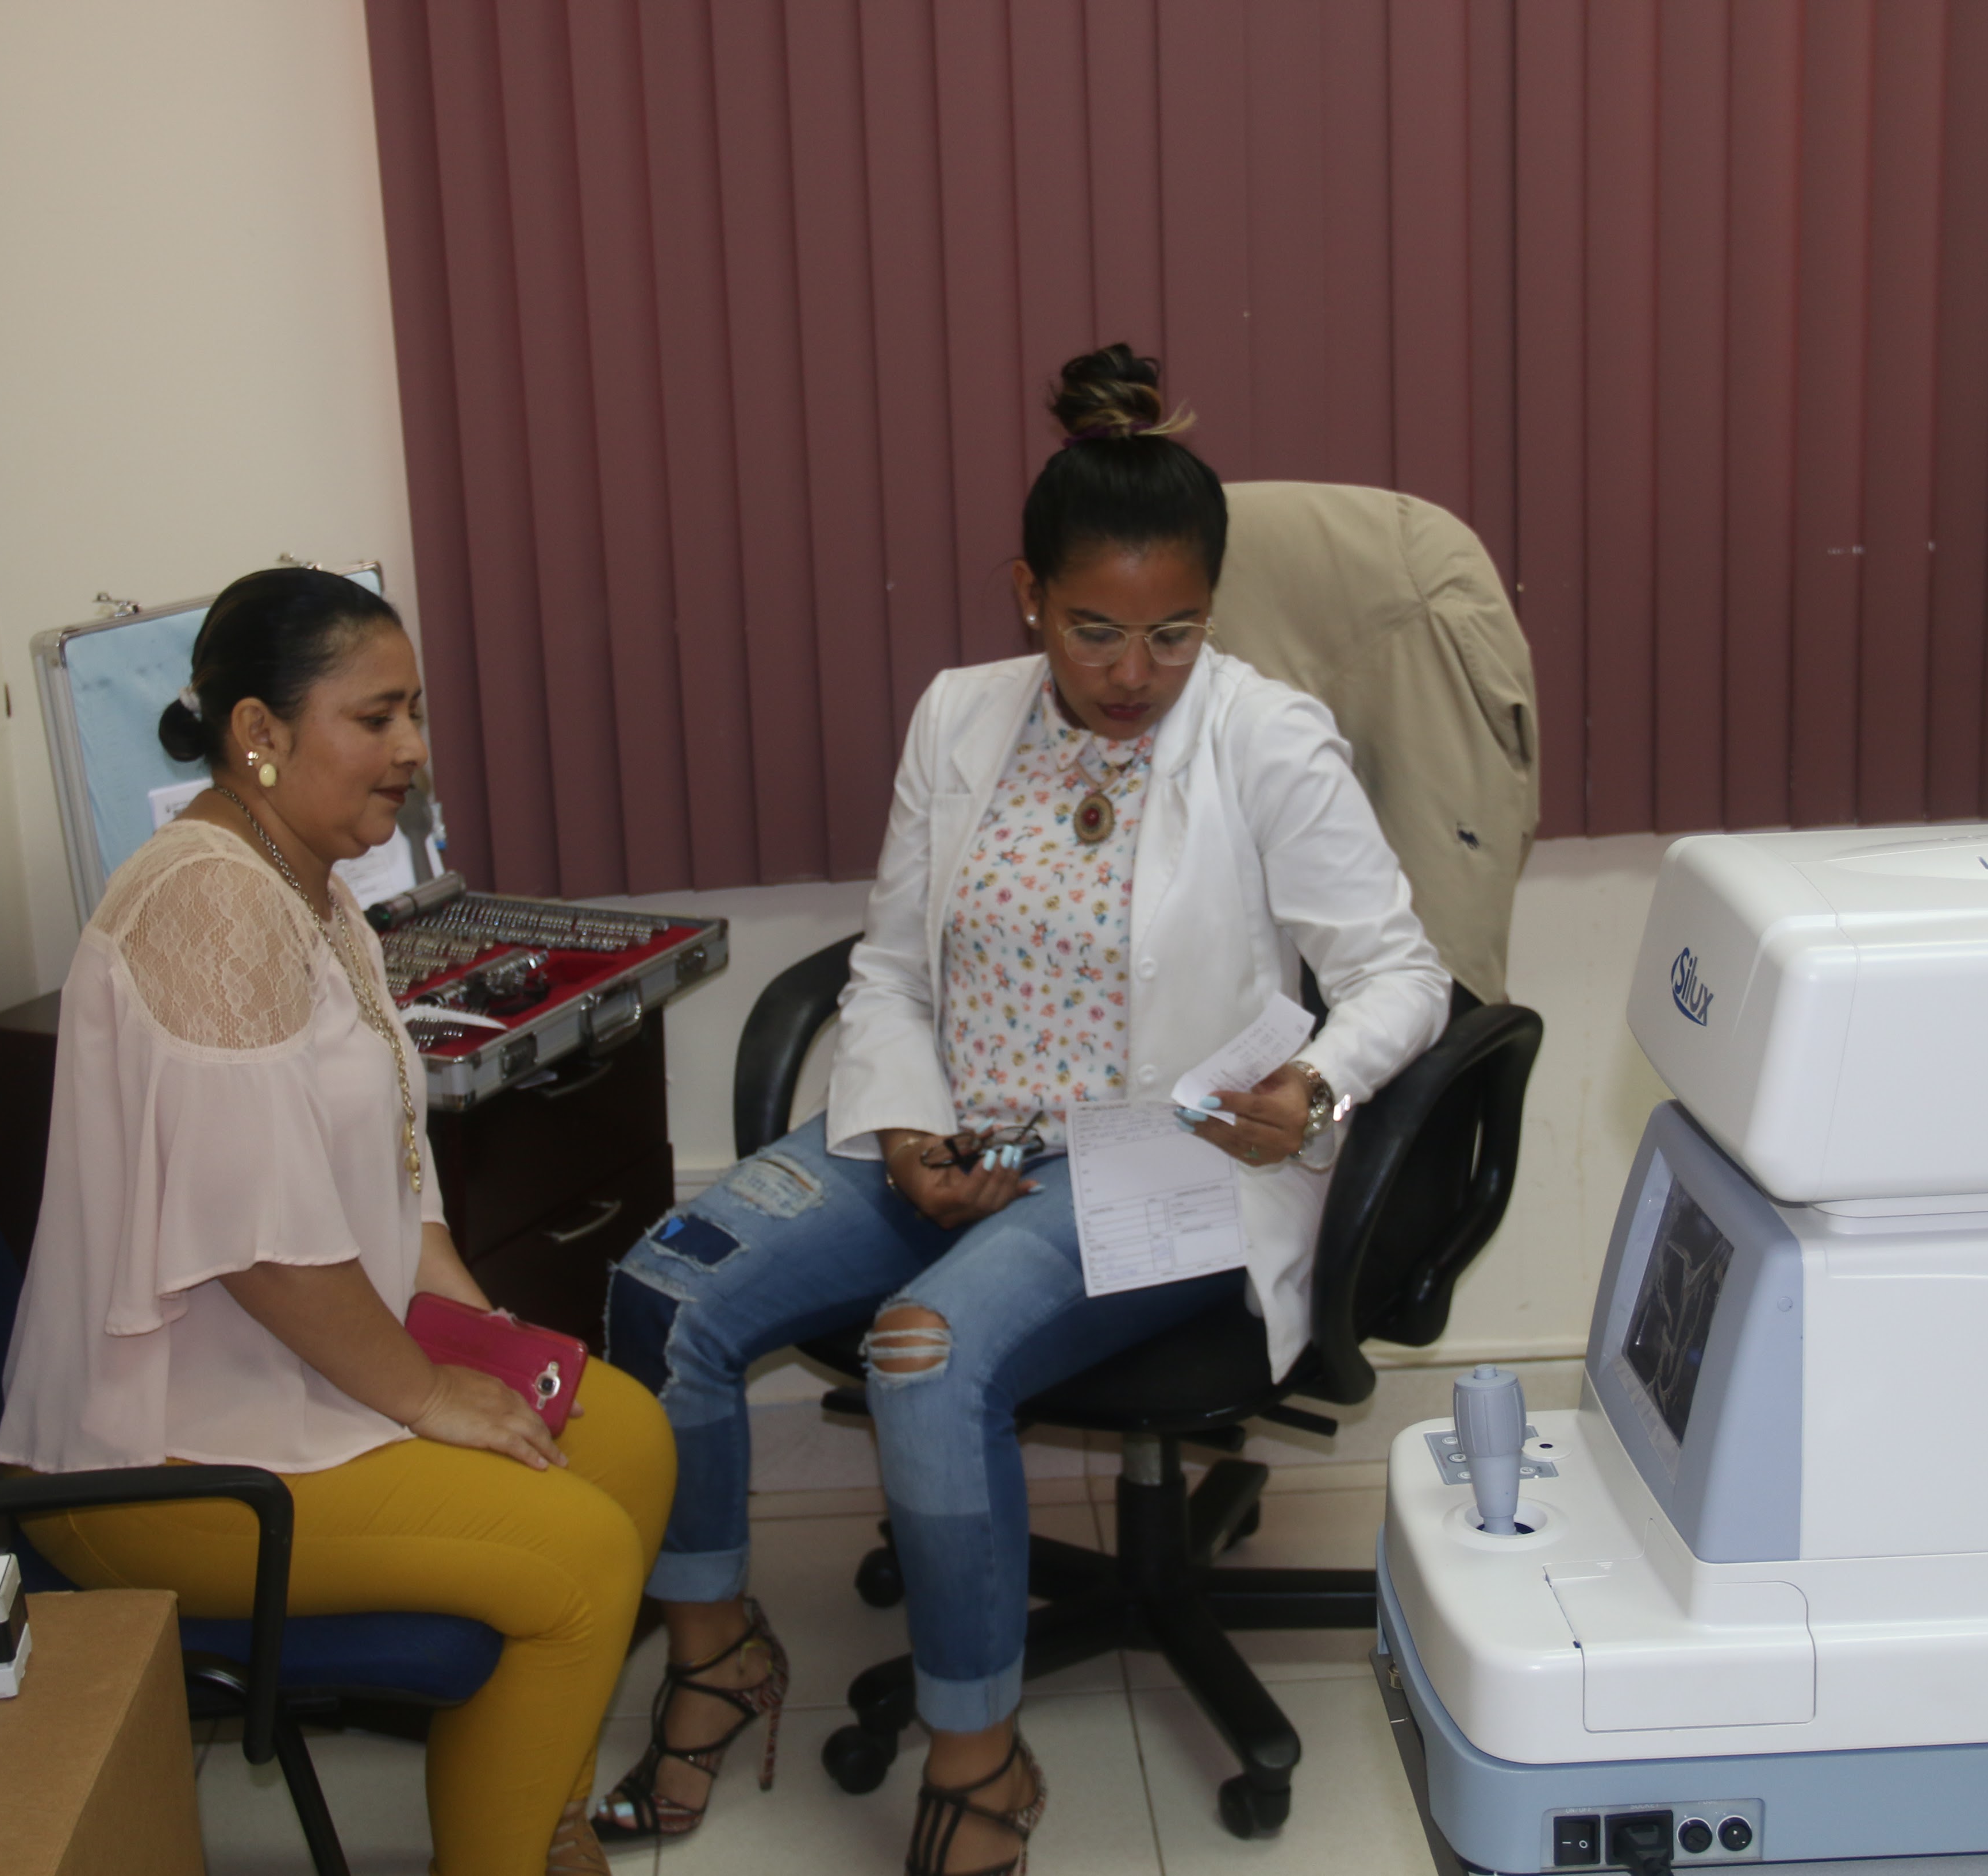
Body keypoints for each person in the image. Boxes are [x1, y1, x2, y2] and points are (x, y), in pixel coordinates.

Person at [597, 347, 1453, 1875]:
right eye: (1093, 629)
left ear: (1212, 608)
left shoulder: (1265, 738)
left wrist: (1317, 1083)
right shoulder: (960, 719)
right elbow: (887, 971)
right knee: (665, 1292)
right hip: (947, 1127)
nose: (1133, 671)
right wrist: (906, 1131)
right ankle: (716, 1653)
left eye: (1174, 632)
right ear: (1026, 596)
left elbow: (1402, 974)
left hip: (1152, 1162)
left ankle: (980, 1763)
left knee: (922, 1358)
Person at [0, 567, 674, 1876]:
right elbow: (261, 1243)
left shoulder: (309, 886)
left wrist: (485, 1341)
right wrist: (427, 1390)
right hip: (156, 1452)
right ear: (260, 730)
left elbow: (392, 1173)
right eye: (376, 718)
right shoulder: (208, 900)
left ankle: (538, 1817)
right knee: (580, 1553)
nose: (412, 749)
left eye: (414, 712)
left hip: (291, 1374)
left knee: (625, 1438)